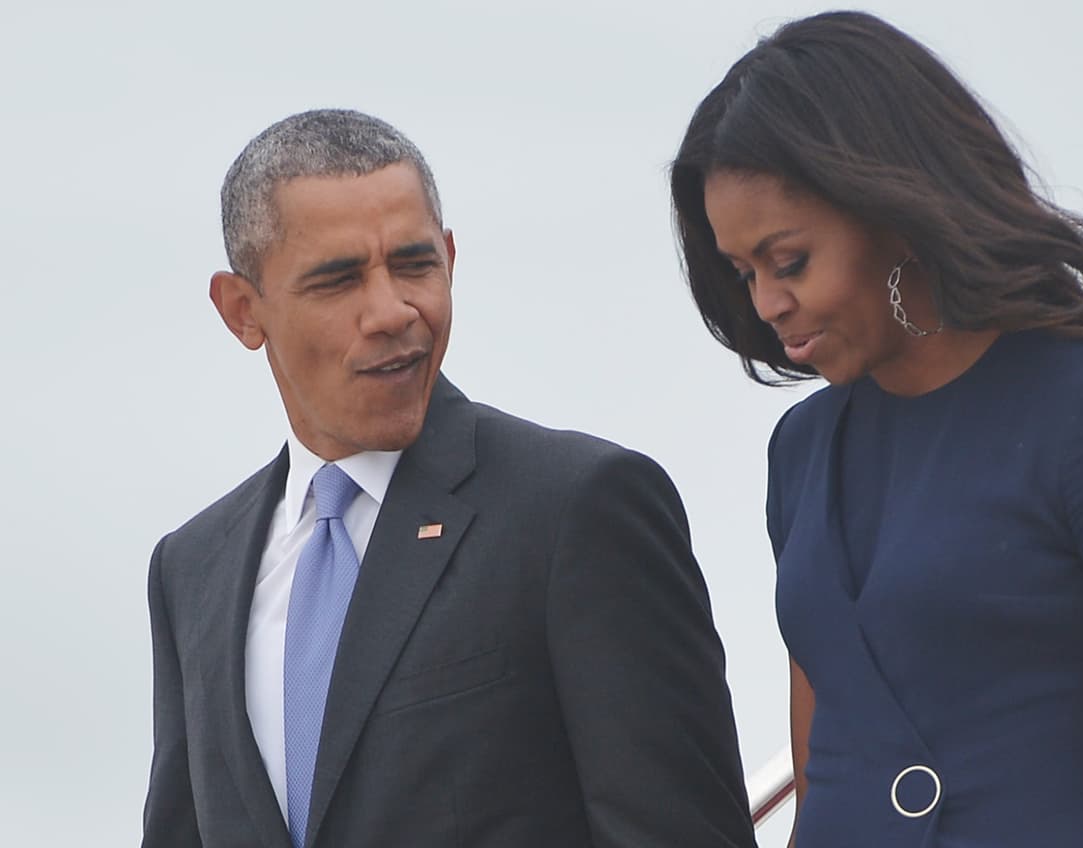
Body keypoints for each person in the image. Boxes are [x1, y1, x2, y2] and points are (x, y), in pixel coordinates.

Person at [671, 11, 1083, 848]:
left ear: (892, 215)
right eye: (743, 272)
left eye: (788, 260)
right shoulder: (802, 450)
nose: (765, 305)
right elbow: (825, 766)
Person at [142, 109, 757, 848]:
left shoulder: (577, 508)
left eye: (414, 264)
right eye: (338, 281)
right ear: (243, 311)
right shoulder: (193, 569)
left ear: (452, 259)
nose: (393, 311)